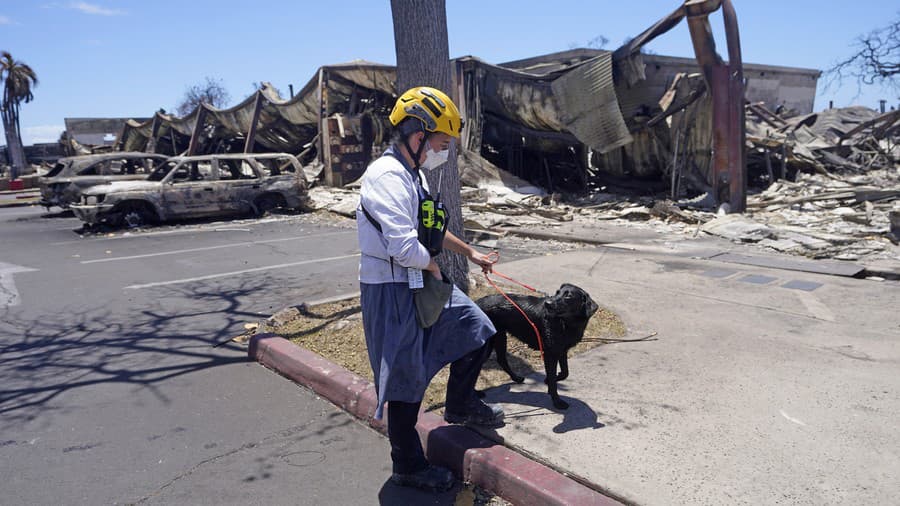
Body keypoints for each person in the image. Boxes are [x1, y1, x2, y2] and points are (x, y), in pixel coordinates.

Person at [356, 86, 503, 492]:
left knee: (476, 329)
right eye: (440, 143)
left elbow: (429, 229)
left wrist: (470, 252)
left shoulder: (412, 174)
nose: (442, 152)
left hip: (420, 279)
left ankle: (459, 404)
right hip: (391, 288)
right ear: (417, 134)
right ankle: (408, 465)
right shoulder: (385, 177)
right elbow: (403, 246)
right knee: (404, 380)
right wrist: (435, 265)